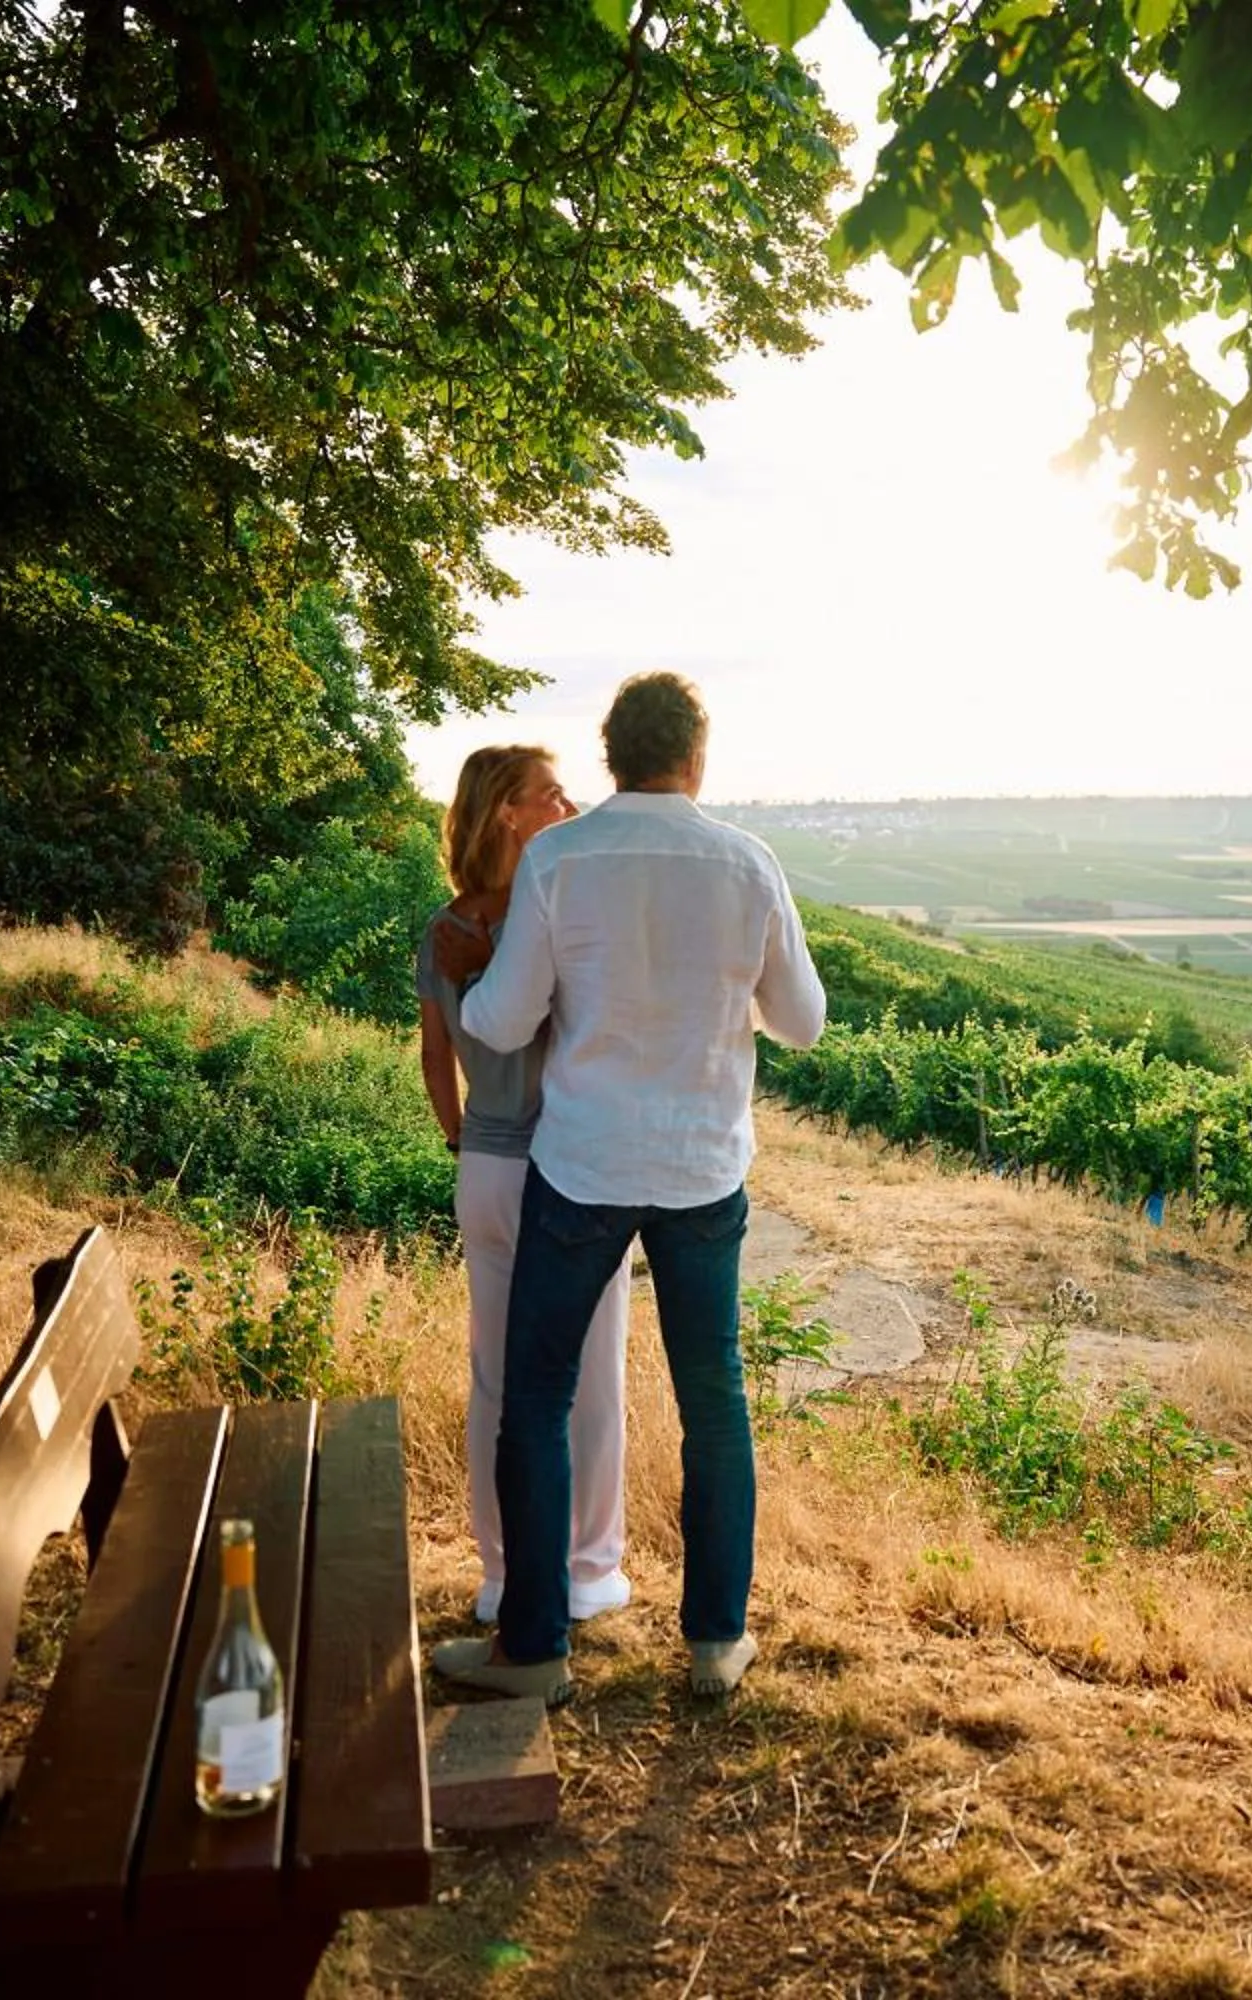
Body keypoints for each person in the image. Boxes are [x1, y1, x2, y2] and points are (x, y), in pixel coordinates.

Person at [432, 672, 826, 1706]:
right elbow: (804, 1020)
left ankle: (537, 1647)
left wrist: (472, 978)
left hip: (583, 1163)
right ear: (696, 755)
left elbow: (506, 1022)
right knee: (714, 1398)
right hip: (701, 1168)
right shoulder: (749, 862)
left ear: (611, 754)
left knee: (538, 1394)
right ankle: (715, 1640)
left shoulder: (560, 857)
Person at [415, 746, 635, 1628]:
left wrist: (465, 1141)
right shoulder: (561, 913)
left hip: (488, 1167)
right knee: (592, 1375)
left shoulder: (445, 927)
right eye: (552, 792)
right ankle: (588, 1570)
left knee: (496, 1380)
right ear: (510, 812)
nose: (569, 801)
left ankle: (502, 1574)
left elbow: (437, 1059)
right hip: (571, 1167)